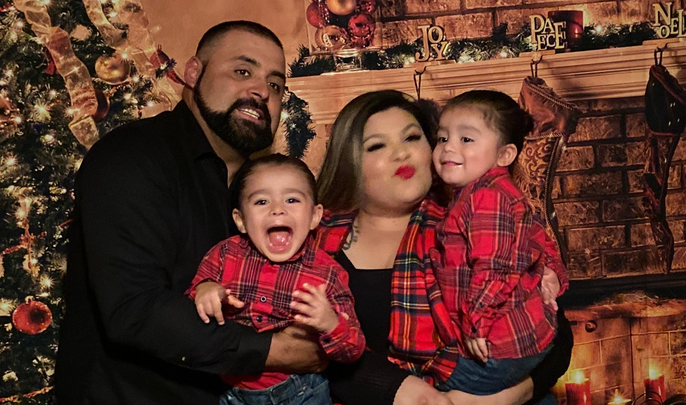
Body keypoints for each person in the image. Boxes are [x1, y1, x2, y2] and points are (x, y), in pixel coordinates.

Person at [56, 21, 326, 405]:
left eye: (276, 84)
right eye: (242, 71)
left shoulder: (263, 192)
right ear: (194, 73)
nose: (262, 91)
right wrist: (277, 352)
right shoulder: (133, 157)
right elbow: (135, 309)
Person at [313, 90, 574, 405]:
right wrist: (402, 392)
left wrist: (507, 398)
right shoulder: (316, 242)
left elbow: (555, 334)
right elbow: (311, 359)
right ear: (349, 161)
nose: (402, 153)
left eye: (412, 138)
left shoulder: (470, 218)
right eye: (377, 145)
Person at [186, 154, 365, 405]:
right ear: (241, 220)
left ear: (314, 216)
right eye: (261, 201)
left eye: (292, 199)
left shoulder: (328, 274)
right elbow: (192, 298)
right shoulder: (225, 254)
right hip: (230, 391)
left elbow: (354, 349)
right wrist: (205, 290)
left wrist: (330, 323)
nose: (277, 209)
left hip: (301, 393)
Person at [430, 90, 569, 403]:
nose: (448, 147)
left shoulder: (487, 196)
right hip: (522, 338)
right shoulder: (486, 192)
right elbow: (537, 237)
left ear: (505, 155)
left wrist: (476, 323)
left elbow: (495, 267)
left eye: (466, 139)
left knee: (427, 379)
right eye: (442, 138)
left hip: (500, 345)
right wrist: (553, 272)